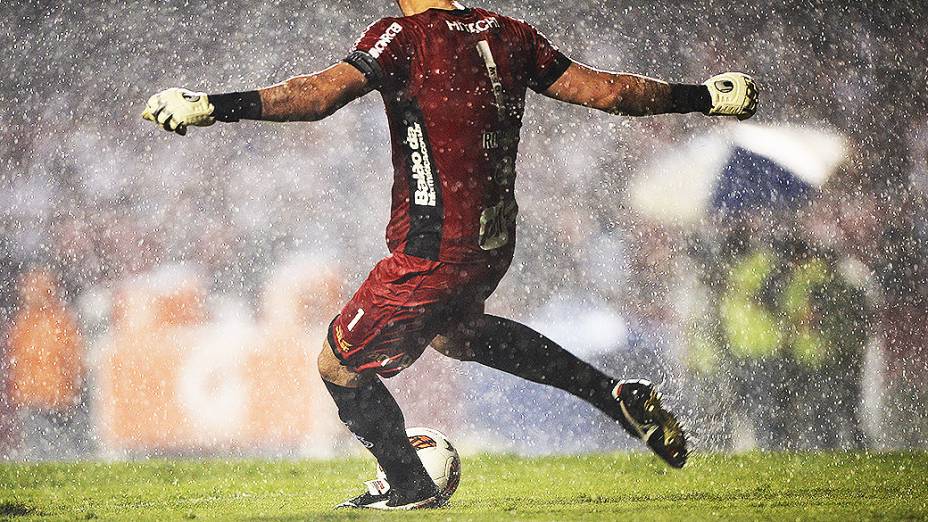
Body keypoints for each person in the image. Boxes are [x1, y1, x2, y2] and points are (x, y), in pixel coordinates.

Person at [141, 0, 757, 510]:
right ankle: (611, 394)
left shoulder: (403, 37)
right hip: (491, 241)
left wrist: (215, 105)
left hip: (431, 248)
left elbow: (319, 94)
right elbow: (607, 93)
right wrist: (704, 96)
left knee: (339, 365)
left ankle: (407, 484)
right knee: (456, 336)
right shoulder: (509, 33)